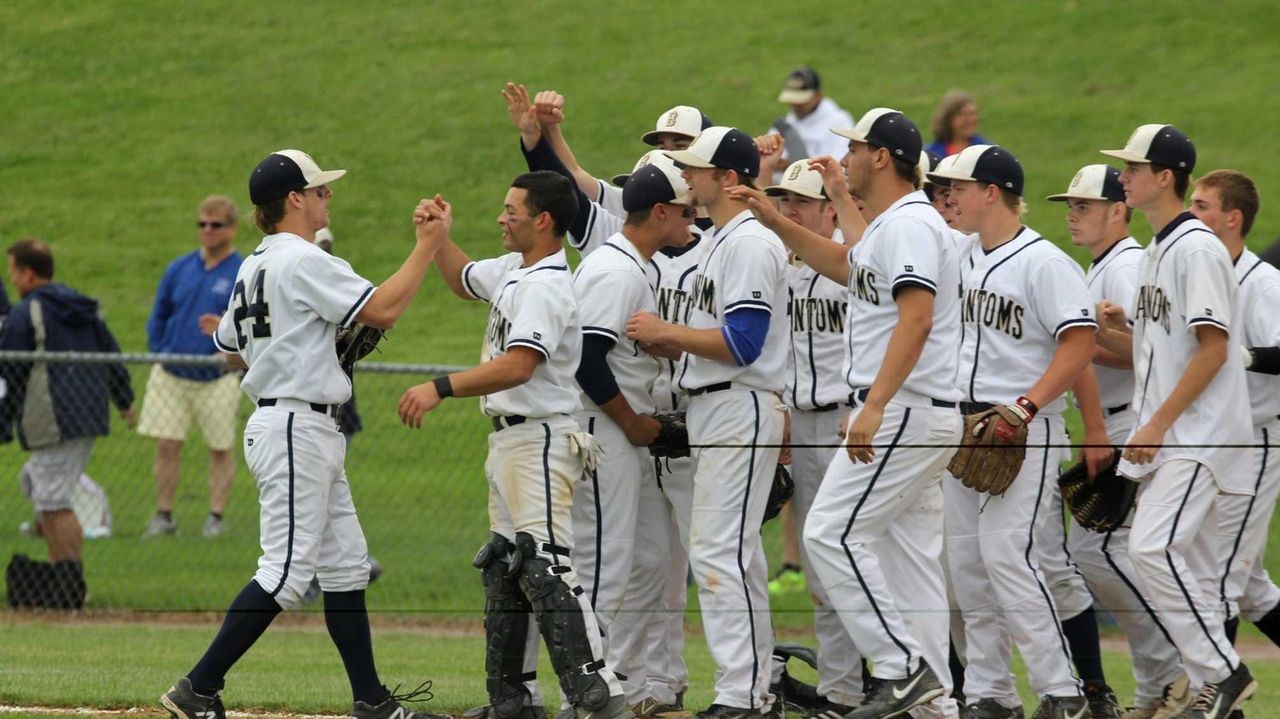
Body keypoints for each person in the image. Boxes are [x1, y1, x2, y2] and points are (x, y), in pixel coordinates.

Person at [160, 149, 447, 719]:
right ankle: (197, 687)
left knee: (345, 566)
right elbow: (383, 311)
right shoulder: (303, 258)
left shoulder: (254, 263)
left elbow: (229, 345)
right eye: (318, 190)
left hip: (295, 420)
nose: (326, 196)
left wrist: (299, 343)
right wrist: (427, 247)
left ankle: (371, 701)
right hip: (295, 424)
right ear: (294, 199)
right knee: (286, 573)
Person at [736, 107, 962, 719]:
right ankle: (936, 708)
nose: (848, 157)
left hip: (904, 412)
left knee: (829, 533)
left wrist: (876, 403)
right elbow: (847, 267)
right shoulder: (894, 224)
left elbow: (916, 316)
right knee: (911, 569)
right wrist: (772, 216)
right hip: (918, 413)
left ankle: (897, 669)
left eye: (856, 149)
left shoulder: (911, 225)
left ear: (882, 157)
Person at [397, 171, 631, 719]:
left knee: (547, 567)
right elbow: (461, 279)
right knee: (506, 569)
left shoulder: (546, 287)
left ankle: (601, 696)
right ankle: (514, 699)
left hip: (541, 439)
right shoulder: (515, 270)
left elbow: (520, 364)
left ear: (543, 220)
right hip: (511, 441)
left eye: (511, 210)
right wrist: (436, 238)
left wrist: (439, 387)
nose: (502, 218)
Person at [929, 144, 1097, 719]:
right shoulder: (962, 253)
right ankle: (991, 693)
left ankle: (1062, 690)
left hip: (1025, 428)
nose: (950, 198)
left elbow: (1080, 342)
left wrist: (1025, 406)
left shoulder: (1044, 262)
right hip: (965, 427)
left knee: (1008, 555)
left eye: (959, 188)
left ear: (992, 192)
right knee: (967, 566)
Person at [626, 126, 788, 719]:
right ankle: (751, 689)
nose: (685, 175)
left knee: (721, 552)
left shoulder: (747, 242)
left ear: (728, 179)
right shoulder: (725, 239)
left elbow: (745, 341)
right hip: (719, 404)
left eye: (695, 168)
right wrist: (683, 350)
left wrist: (669, 334)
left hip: (740, 403)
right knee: (729, 554)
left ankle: (743, 694)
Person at [1095, 125, 1256, 719]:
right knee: (1188, 568)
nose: (1123, 176)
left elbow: (1214, 348)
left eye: (1134, 167)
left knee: (1151, 548)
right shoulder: (1160, 248)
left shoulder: (1196, 247)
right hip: (1177, 434)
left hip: (1199, 434)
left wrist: (1156, 423)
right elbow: (1172, 345)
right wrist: (1117, 330)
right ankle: (1219, 689)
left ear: (1165, 177)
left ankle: (1221, 673)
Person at [1046, 164, 1180, 718]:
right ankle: (1158, 686)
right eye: (1070, 206)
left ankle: (1175, 667)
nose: (1073, 215)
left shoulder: (1126, 267)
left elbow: (1149, 354)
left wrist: (1081, 341)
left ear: (1117, 211)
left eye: (1085, 206)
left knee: (1096, 551)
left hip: (1133, 424)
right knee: (1111, 554)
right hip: (1119, 422)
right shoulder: (1102, 266)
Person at [570, 162, 696, 717]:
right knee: (605, 563)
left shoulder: (633, 265)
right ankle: (586, 694)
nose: (693, 219)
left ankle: (621, 678)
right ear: (662, 213)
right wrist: (632, 421)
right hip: (604, 430)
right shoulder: (618, 270)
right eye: (686, 209)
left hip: (622, 431)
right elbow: (584, 359)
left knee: (645, 559)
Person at [756, 158, 867, 715]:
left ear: (830, 207)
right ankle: (841, 691)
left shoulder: (854, 261)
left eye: (801, 200)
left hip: (849, 420)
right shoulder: (780, 262)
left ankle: (866, 684)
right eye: (785, 199)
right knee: (824, 565)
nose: (790, 208)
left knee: (847, 556)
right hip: (801, 421)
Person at [0, 238, 134, 601]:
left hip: (52, 418)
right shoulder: (82, 305)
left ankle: (73, 587)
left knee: (56, 503)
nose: (10, 278)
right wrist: (124, 400)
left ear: (28, 273)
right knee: (40, 491)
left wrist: (4, 421)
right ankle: (61, 579)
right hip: (86, 414)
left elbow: (10, 371)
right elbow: (111, 351)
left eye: (13, 270)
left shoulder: (27, 313)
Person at [1187, 172, 1280, 659]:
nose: (1192, 212)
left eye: (1202, 205)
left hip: (1257, 441)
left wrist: (1243, 357)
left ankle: (1219, 702)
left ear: (1232, 217)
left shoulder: (1263, 283)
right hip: (1213, 441)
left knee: (1219, 577)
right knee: (1249, 588)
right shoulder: (1200, 270)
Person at [139, 195, 244, 539]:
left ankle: (215, 515)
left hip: (218, 375)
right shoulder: (179, 268)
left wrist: (227, 337)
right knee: (167, 444)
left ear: (233, 228)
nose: (208, 231)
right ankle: (164, 513)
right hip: (172, 371)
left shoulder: (242, 271)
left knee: (220, 447)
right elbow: (160, 314)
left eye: (216, 225)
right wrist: (160, 350)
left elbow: (251, 321)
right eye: (202, 224)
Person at [770, 66, 855, 164]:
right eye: (792, 100)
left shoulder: (840, 121)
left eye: (800, 101)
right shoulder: (786, 124)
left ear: (817, 95)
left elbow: (839, 164)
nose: (795, 105)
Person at [924, 90, 989, 159]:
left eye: (972, 114)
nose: (970, 120)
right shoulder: (930, 155)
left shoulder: (987, 153)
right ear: (948, 118)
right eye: (963, 115)